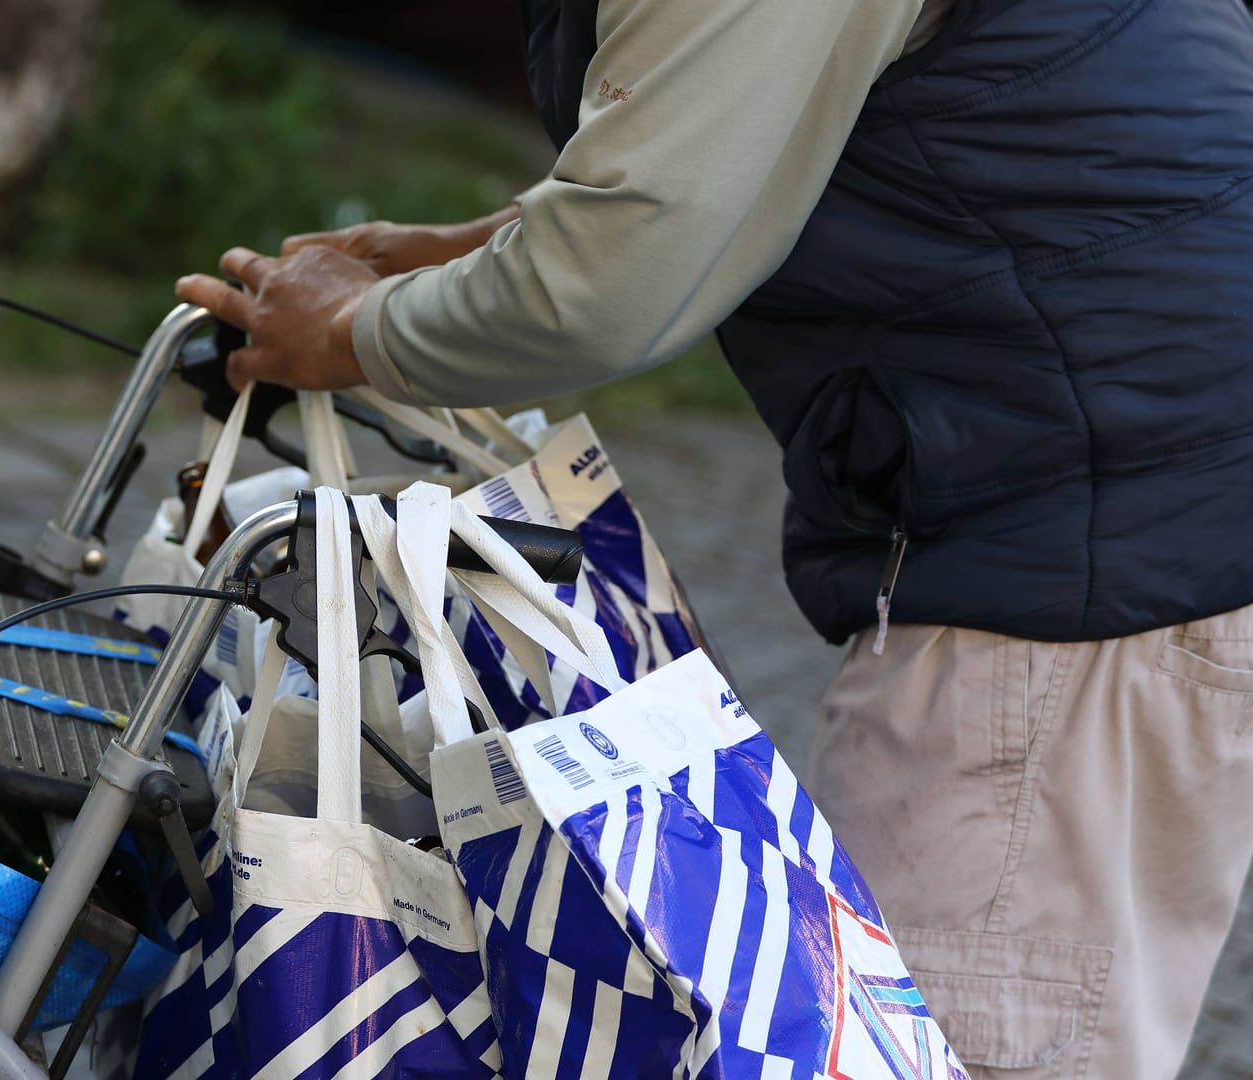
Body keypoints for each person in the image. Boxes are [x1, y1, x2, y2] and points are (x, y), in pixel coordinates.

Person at [175, 0, 1253, 1075]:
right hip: (1118, 497)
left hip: (1092, 536)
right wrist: (480, 252)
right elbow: (741, 124)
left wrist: (360, 332)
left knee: (928, 1043)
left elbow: (613, 274)